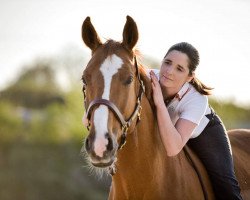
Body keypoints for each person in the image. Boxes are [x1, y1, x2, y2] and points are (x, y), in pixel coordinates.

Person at [149, 42, 242, 200]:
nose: (169, 71)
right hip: (169, 130)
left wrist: (159, 102)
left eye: (179, 69)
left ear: (190, 76)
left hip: (204, 132)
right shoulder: (147, 78)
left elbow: (172, 148)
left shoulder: (197, 99)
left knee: (226, 185)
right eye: (167, 63)